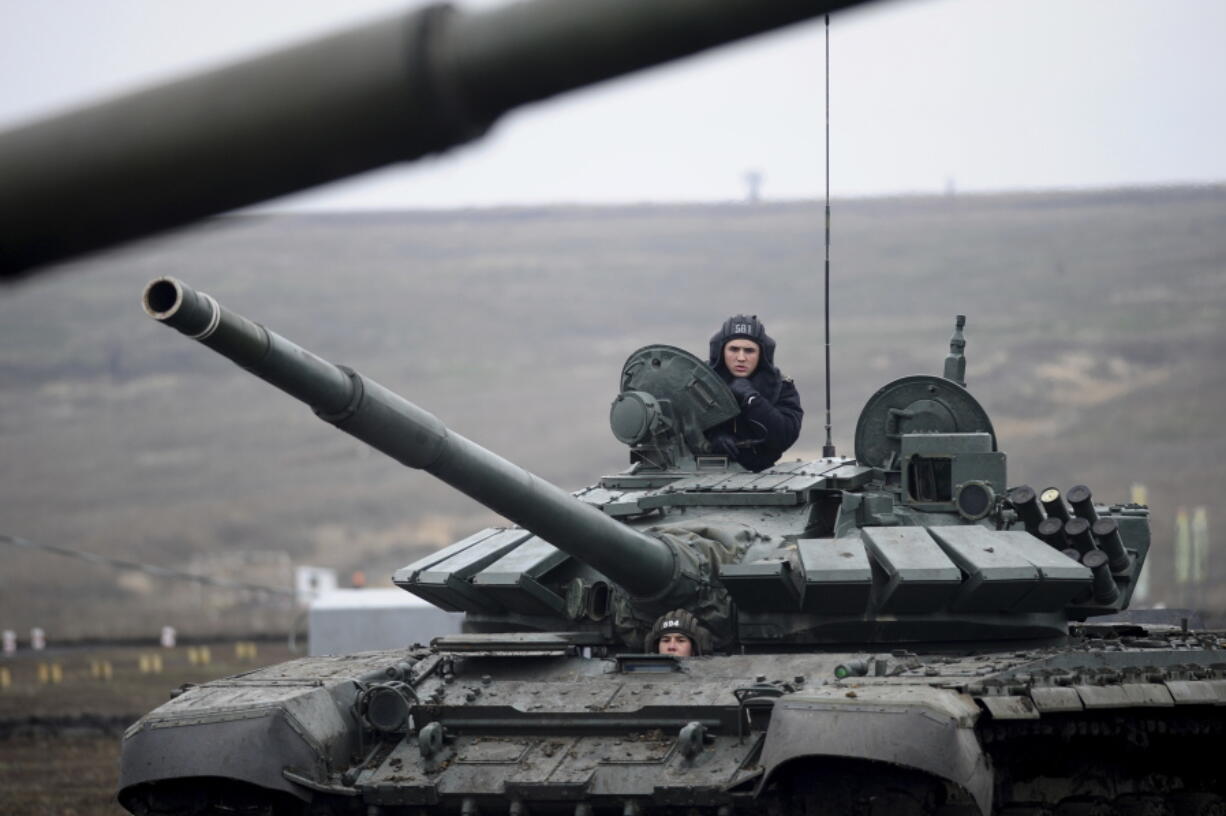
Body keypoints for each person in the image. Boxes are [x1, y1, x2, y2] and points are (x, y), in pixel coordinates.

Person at [705, 314, 803, 472]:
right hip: (702, 472)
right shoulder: (700, 382)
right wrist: (713, 438)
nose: (741, 358)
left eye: (749, 351)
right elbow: (679, 423)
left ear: (762, 354)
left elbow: (785, 436)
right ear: (721, 350)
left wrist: (752, 399)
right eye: (734, 349)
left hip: (760, 474)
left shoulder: (780, 387)